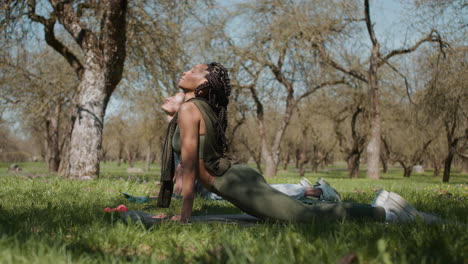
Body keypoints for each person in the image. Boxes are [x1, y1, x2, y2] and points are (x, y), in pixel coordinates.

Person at [157, 62, 430, 224]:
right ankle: (380, 206)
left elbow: (191, 167)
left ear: (204, 83)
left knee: (303, 218)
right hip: (236, 177)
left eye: (194, 70)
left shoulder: (190, 110)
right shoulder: (199, 107)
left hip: (233, 184)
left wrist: (184, 216)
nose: (186, 70)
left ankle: (386, 214)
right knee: (299, 212)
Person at [161, 93, 341, 203]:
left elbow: (183, 170)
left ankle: (318, 192)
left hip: (215, 189)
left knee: (260, 194)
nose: (167, 98)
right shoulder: (176, 129)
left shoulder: (185, 128)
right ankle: (307, 189)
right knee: (260, 192)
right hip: (212, 188)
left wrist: (176, 197)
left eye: (174, 97)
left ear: (185, 106)